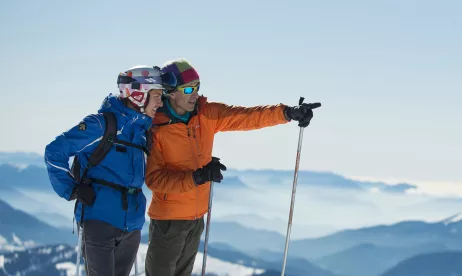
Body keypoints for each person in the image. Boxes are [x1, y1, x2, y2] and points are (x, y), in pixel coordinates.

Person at [143, 58, 318, 276]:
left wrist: (287, 113)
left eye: (198, 88)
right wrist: (197, 177)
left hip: (197, 217)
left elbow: (247, 117)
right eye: (189, 89)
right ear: (170, 92)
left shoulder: (206, 114)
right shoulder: (155, 127)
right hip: (168, 220)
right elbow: (154, 180)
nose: (195, 94)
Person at [44, 65, 171, 276]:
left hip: (132, 225)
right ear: (138, 94)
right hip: (99, 221)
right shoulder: (101, 125)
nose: (160, 102)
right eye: (157, 95)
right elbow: (54, 152)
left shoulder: (143, 131)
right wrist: (72, 190)